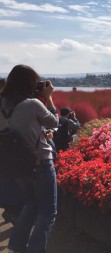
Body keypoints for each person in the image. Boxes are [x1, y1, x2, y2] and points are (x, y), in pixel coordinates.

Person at [0, 64, 59, 253]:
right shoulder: (32, 104)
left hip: (15, 165)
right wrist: (48, 97)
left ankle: (16, 246)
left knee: (31, 204)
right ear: (29, 83)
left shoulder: (2, 103)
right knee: (48, 212)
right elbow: (54, 121)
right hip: (40, 162)